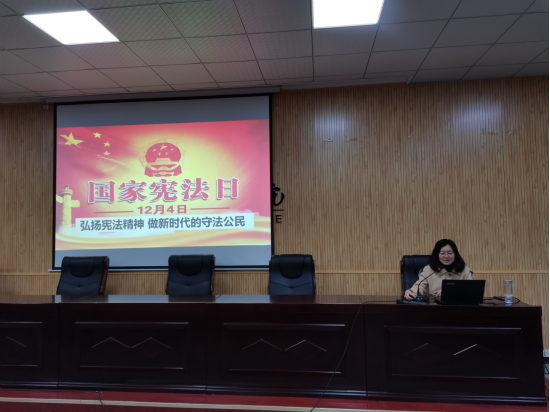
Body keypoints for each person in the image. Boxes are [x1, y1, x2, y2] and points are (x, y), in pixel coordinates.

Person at [405, 239, 474, 300]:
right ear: (437, 255)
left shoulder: (465, 270)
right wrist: (410, 291)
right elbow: (420, 287)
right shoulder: (428, 270)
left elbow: (472, 289)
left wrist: (450, 291)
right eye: (442, 253)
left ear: (455, 254)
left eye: (450, 253)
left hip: (459, 306)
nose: (446, 256)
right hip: (435, 307)